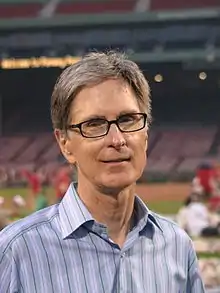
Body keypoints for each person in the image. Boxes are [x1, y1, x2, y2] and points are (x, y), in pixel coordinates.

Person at [0, 51, 205, 293]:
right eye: (94, 125)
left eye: (128, 119)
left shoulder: (177, 247)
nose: (117, 140)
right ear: (65, 144)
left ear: (146, 134)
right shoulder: (16, 252)